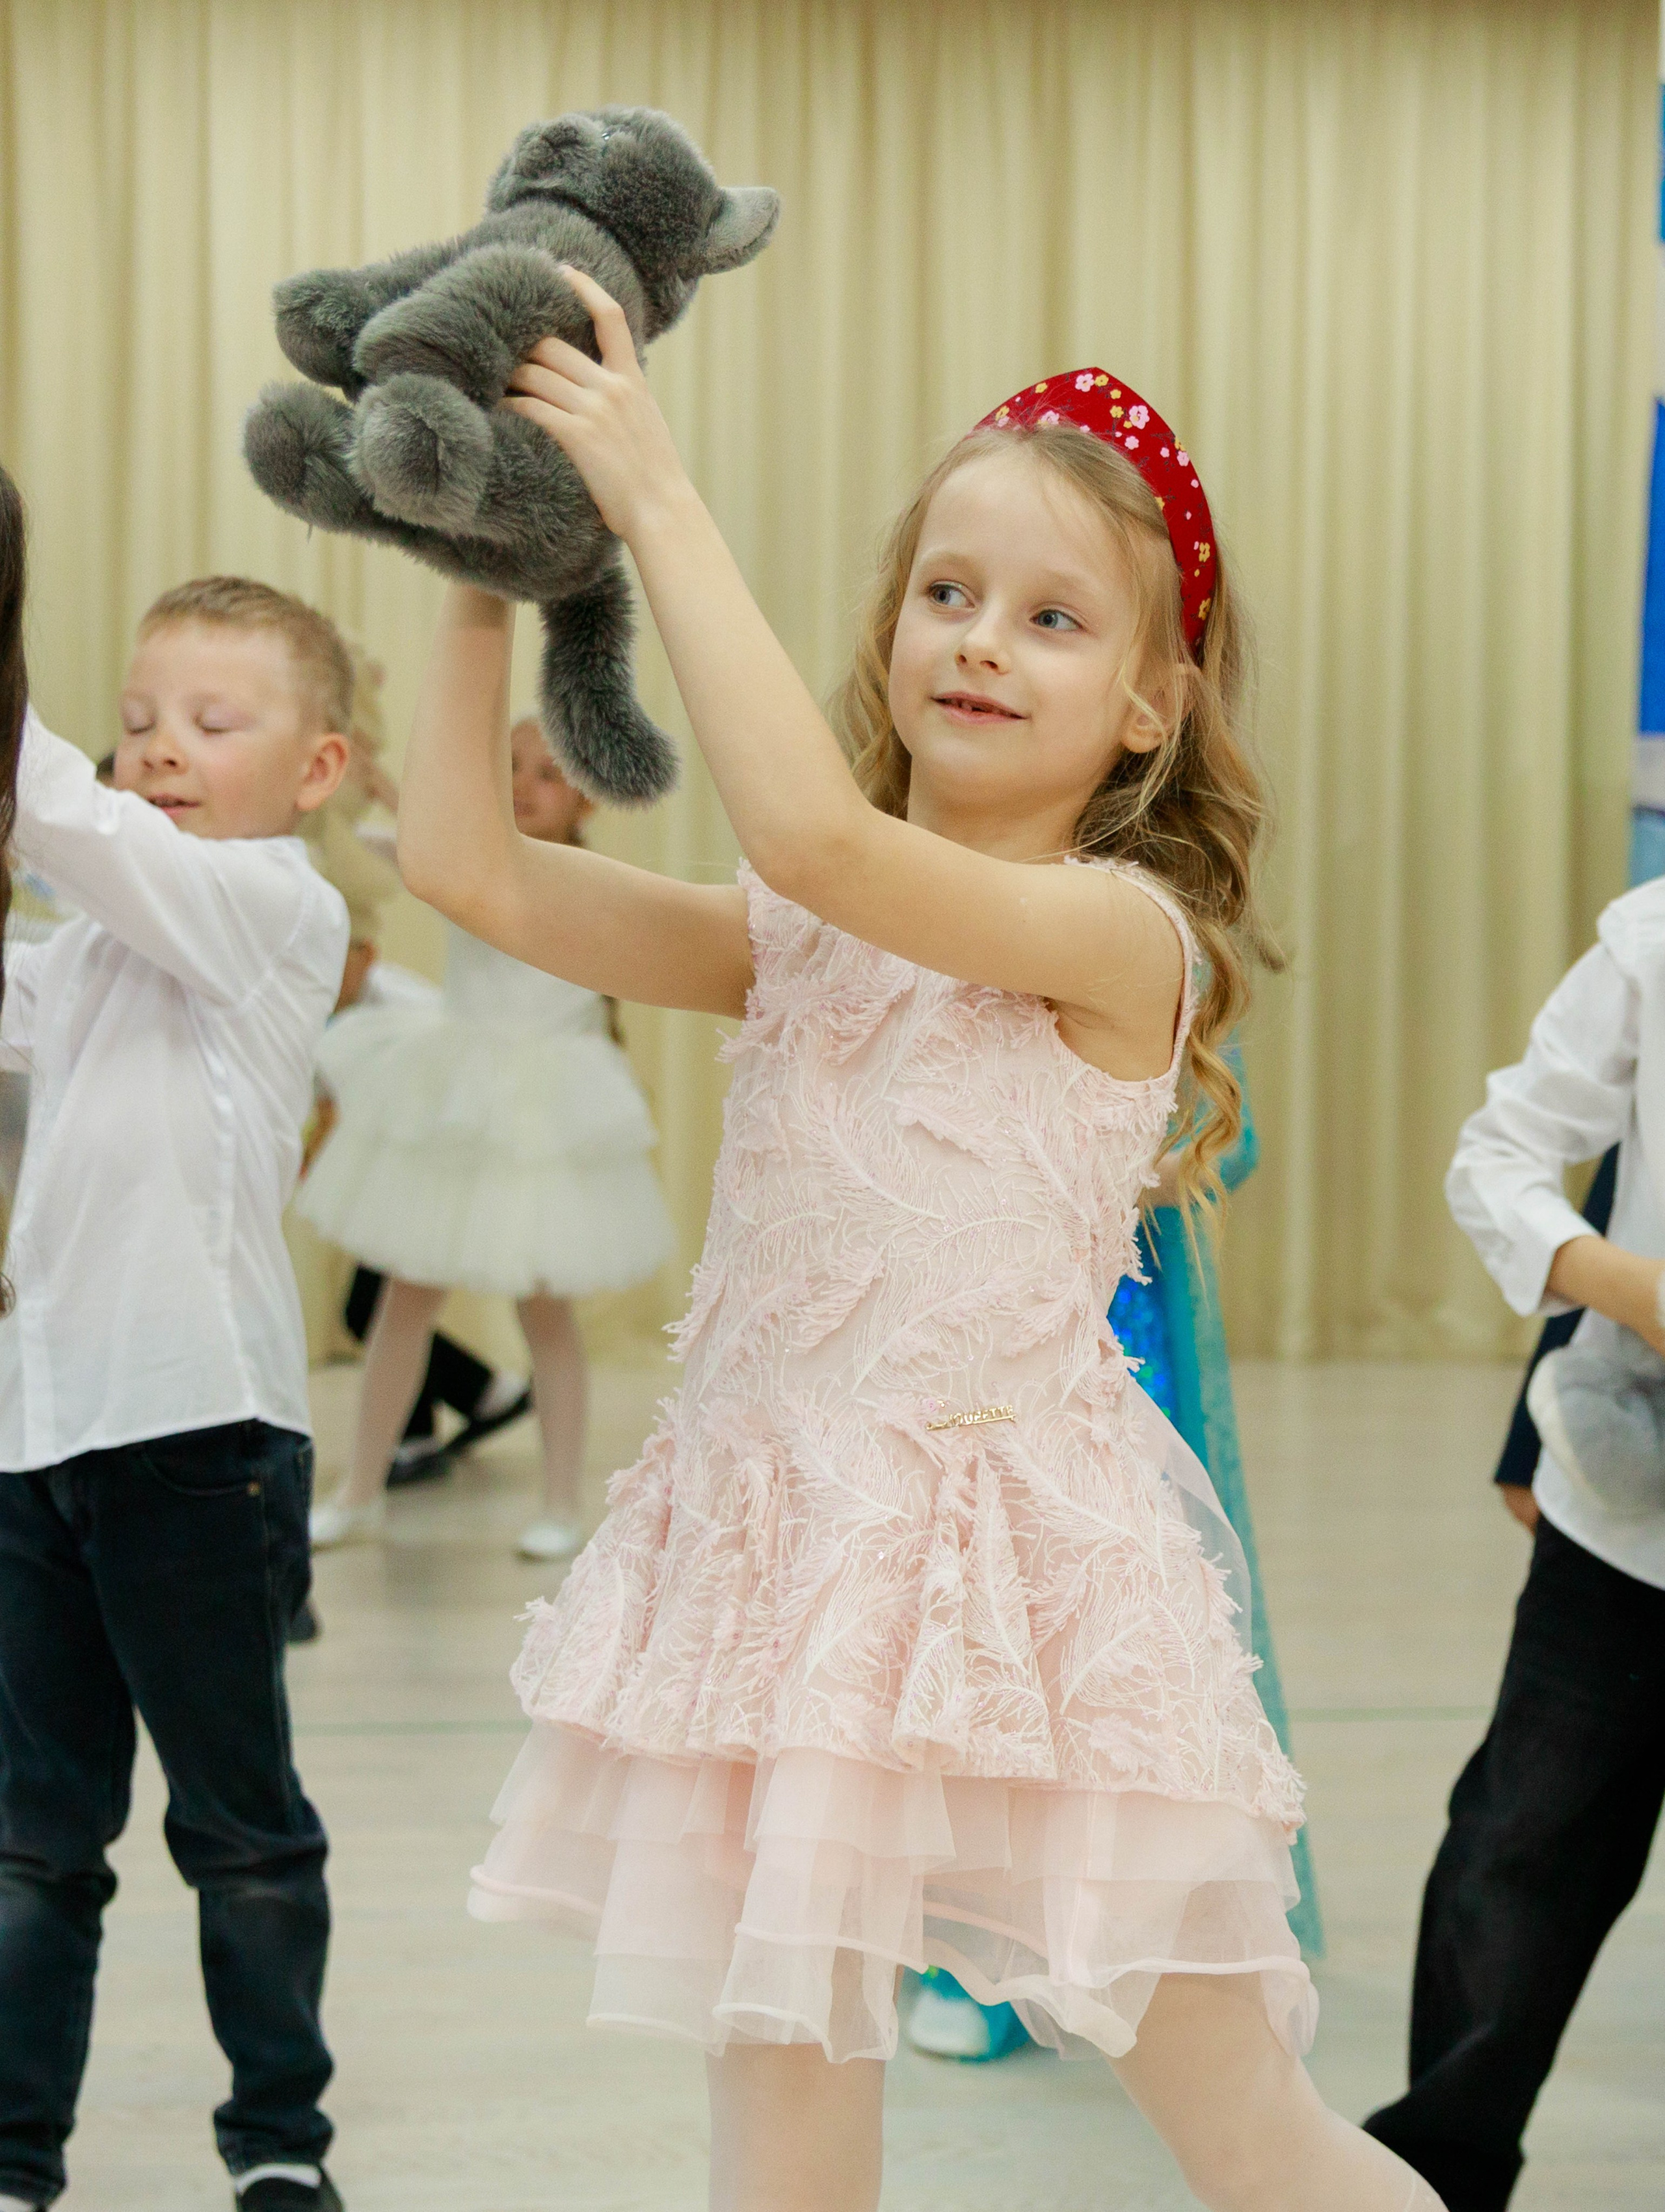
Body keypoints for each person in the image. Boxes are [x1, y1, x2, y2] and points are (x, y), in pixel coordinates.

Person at [397, 276, 1443, 2212]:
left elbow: (821, 840)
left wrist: (656, 495)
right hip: (790, 1587)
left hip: (1030, 1604)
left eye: (1053, 618)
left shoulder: (1124, 937)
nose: (978, 639)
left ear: (1149, 704)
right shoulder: (799, 931)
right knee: (783, 2148)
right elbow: (465, 865)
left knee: (1254, 2142)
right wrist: (481, 561)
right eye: (946, 592)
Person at [0, 570, 353, 2212]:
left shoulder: (275, 907)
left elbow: (70, 826)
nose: (156, 749)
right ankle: (15, 2159)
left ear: (318, 768)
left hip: (201, 1433)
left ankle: (278, 2145)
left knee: (238, 1824)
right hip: (39, 1435)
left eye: (212, 723)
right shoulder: (89, 948)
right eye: (139, 719)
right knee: (32, 1837)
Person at [908, 1068, 1324, 2061]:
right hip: (978, 1313)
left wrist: (1099, 1170)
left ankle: (1128, 1916)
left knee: (1116, 1621)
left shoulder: (1151, 978)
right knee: (981, 1599)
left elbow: (1228, 1136)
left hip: (1115, 1321)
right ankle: (976, 1936)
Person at [1365, 892, 1665, 2212]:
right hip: (1629, 1515)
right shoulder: (1652, 942)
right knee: (1521, 1848)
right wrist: (1624, 1288)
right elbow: (1503, 1155)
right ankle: (1433, 2174)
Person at [299, 715, 674, 1562]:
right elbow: (388, 847)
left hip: (544, 1112)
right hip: (460, 1095)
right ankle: (359, 1490)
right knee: (404, 1303)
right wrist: (370, 784)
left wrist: (396, 796)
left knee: (546, 1312)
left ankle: (561, 1503)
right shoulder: (461, 853)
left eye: (547, 772)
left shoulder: (581, 878)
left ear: (585, 797)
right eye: (508, 765)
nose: (523, 785)